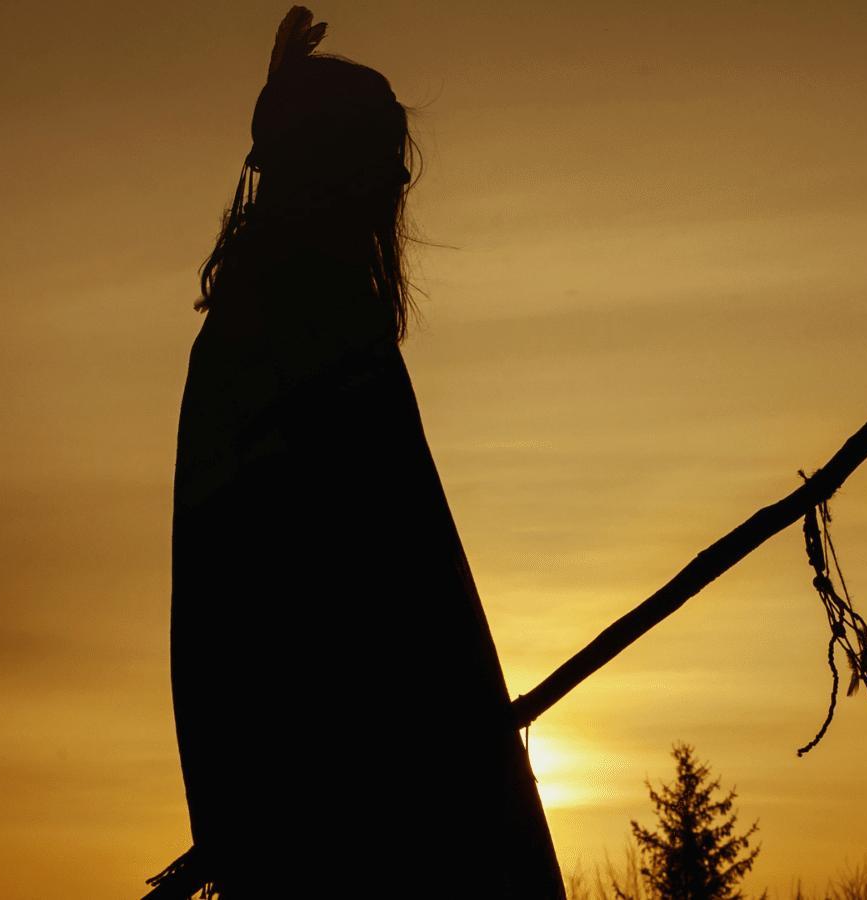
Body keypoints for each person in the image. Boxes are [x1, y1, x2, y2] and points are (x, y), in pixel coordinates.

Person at [166, 7, 563, 896]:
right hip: (362, 825)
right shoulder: (290, 333)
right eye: (373, 160)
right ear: (326, 169)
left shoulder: (300, 323)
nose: (391, 183)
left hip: (363, 799)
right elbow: (294, 601)